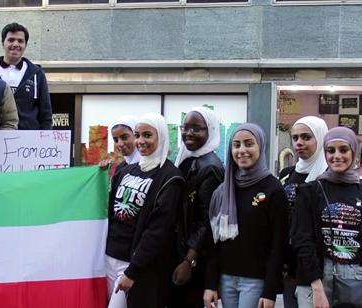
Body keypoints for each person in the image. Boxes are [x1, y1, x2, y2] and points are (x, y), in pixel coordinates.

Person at [291, 126, 362, 308]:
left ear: (353, 152)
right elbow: (302, 239)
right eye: (331, 150)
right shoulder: (309, 192)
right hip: (315, 278)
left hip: (355, 279)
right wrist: (317, 287)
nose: (337, 156)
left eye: (344, 150)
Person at [204, 123, 288, 308]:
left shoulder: (273, 189)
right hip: (226, 280)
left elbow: (278, 244)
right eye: (236, 145)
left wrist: (270, 291)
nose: (242, 150)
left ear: (261, 146)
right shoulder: (223, 190)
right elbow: (212, 243)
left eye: (249, 144)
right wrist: (210, 284)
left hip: (256, 282)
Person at [106, 112, 185, 308]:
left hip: (133, 265)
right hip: (109, 259)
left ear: (161, 137)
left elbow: (157, 231)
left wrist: (133, 271)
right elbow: (109, 213)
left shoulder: (171, 178)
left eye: (147, 135)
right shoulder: (126, 170)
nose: (141, 141)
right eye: (137, 135)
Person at [170, 107, 224, 308]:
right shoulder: (187, 161)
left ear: (210, 131)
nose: (189, 133)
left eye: (197, 129)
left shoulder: (209, 167)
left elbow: (207, 221)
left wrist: (189, 261)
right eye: (186, 127)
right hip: (179, 253)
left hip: (195, 261)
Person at [278, 116, 328, 308]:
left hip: (317, 265)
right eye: (296, 137)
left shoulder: (329, 176)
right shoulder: (287, 174)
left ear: (321, 138)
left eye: (306, 137)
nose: (299, 142)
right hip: (289, 264)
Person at [0, 22, 52, 130]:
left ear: (25, 45)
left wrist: (45, 139)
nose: (15, 44)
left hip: (27, 141)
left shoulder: (37, 74)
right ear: (3, 43)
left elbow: (45, 115)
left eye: (20, 41)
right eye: (11, 40)